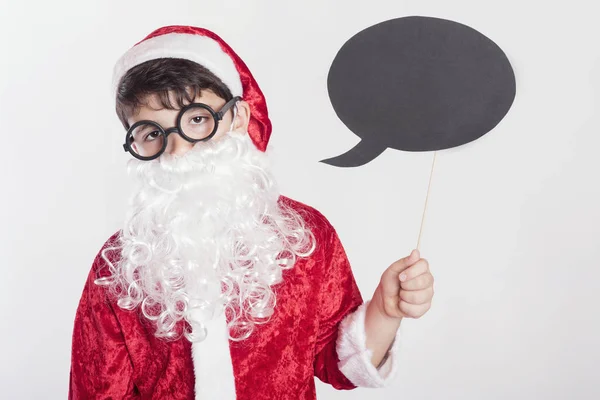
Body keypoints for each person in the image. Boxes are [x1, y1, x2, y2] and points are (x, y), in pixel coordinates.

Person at [69, 25, 435, 400]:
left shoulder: (305, 236)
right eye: (151, 134)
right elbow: (98, 390)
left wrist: (385, 312)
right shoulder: (119, 265)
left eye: (196, 119)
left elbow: (337, 365)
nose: (177, 151)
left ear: (239, 117)